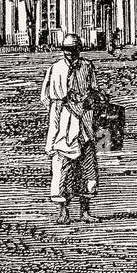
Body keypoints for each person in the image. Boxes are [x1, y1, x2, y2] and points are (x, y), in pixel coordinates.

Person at [40, 33, 100, 224]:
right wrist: (61, 107)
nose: (70, 54)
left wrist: (87, 101)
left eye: (73, 50)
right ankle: (63, 212)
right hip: (62, 123)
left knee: (87, 168)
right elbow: (45, 97)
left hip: (84, 122)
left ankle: (85, 211)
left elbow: (94, 92)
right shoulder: (55, 68)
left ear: (79, 50)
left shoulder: (87, 67)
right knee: (61, 169)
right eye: (67, 50)